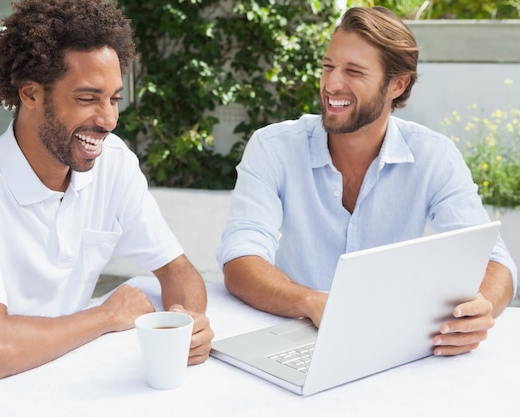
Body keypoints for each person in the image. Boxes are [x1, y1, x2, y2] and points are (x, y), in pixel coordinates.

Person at [0, 0, 213, 413]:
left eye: (113, 98)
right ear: (31, 93)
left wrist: (188, 323)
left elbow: (177, 269)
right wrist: (106, 316)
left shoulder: (114, 164)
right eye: (89, 98)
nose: (108, 119)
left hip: (64, 370)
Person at [216, 6, 517, 358]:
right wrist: (311, 302)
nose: (331, 84)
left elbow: (495, 260)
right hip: (294, 333)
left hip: (394, 346)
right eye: (328, 66)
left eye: (353, 71)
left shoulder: (433, 156)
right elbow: (240, 257)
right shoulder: (272, 147)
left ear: (397, 84)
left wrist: (479, 308)